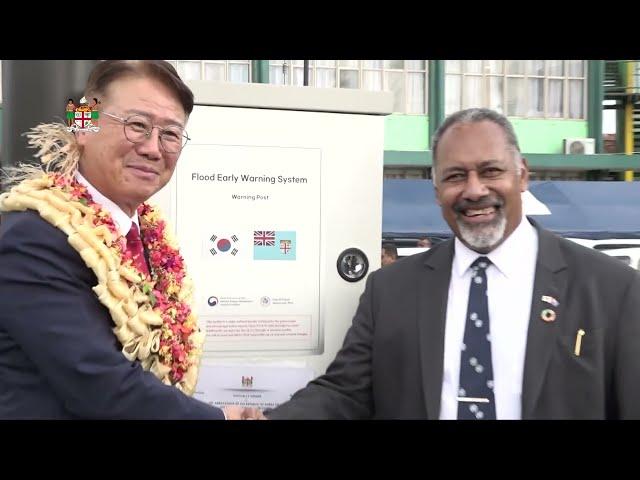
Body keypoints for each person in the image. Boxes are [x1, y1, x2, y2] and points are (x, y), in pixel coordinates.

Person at [249, 107, 640, 420]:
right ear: (437, 191)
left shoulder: (613, 290)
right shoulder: (391, 290)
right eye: (455, 176)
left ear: (522, 175)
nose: (474, 190)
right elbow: (344, 393)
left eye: (490, 171)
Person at [0, 60, 249, 419]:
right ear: (82, 125)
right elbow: (100, 386)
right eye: (137, 126)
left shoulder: (147, 234)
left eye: (170, 134)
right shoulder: (32, 240)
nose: (153, 148)